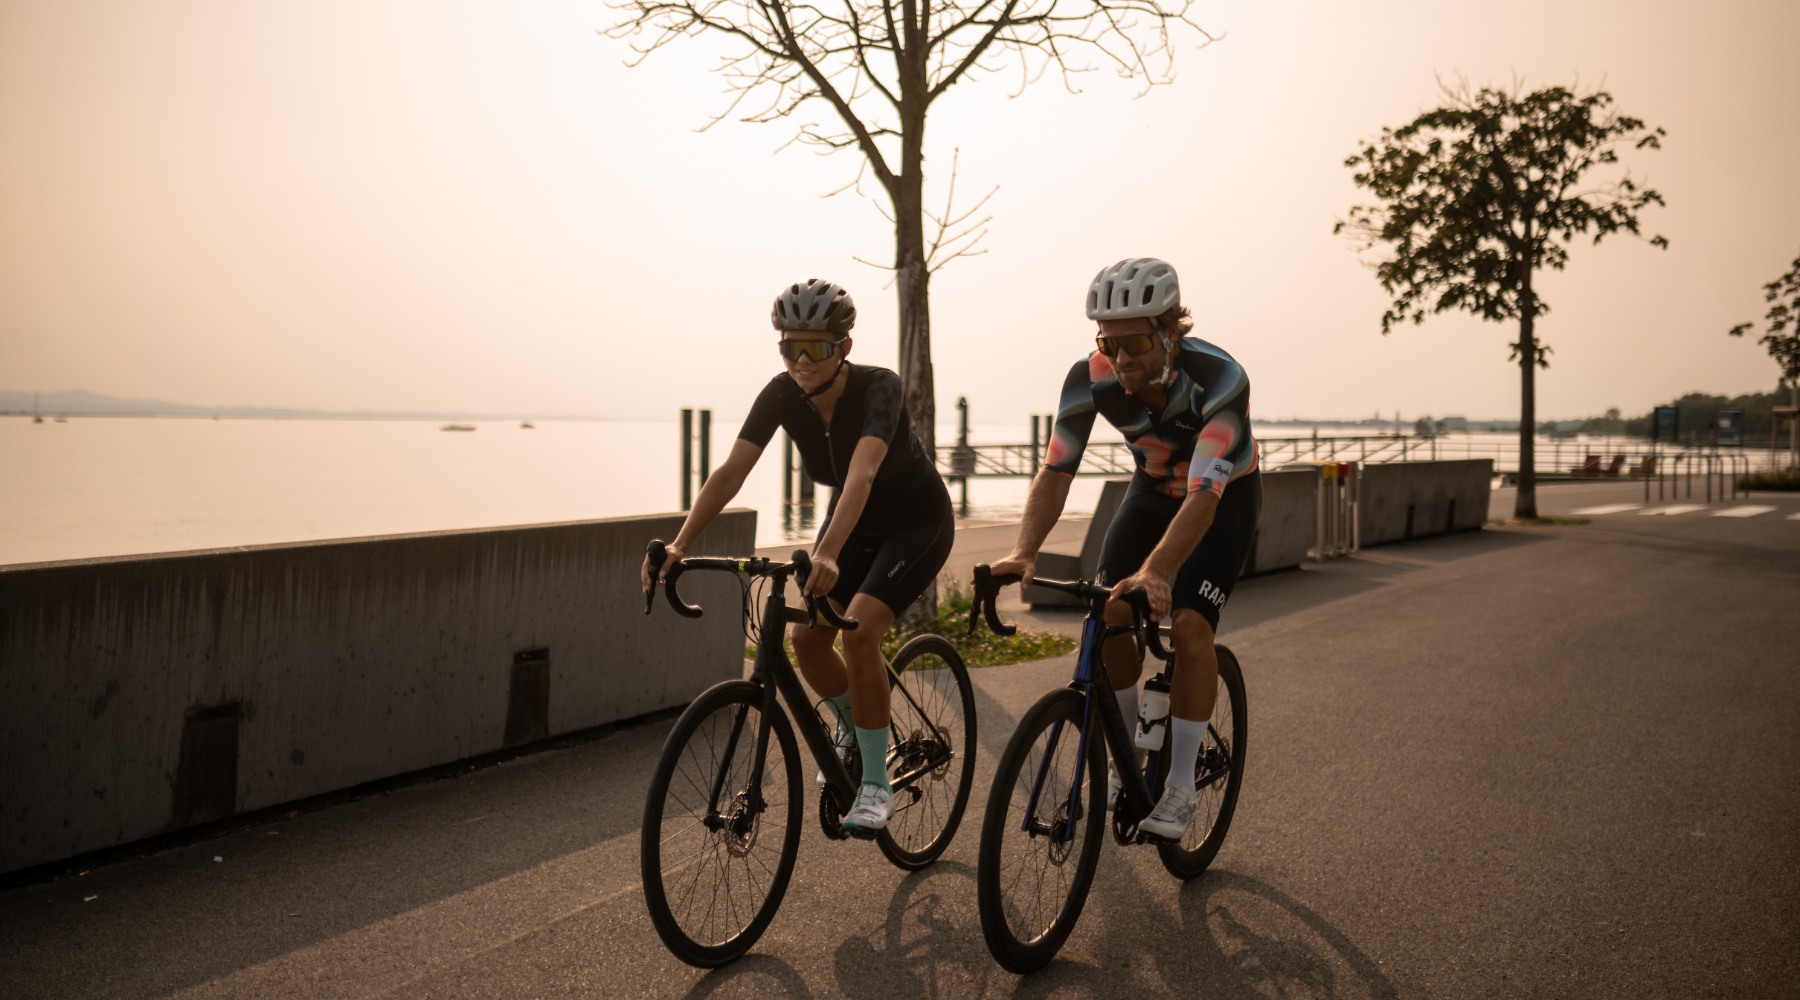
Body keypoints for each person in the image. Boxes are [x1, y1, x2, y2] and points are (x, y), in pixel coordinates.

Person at [640, 278, 954, 832]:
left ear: (845, 348)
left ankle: (877, 785)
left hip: (915, 522)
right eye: (791, 347)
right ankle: (854, 727)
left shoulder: (880, 387)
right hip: (852, 527)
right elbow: (731, 472)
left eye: (819, 347)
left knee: (859, 633)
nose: (803, 360)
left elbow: (861, 475)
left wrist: (828, 552)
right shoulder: (782, 393)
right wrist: (681, 544)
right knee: (807, 641)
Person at [987, 257, 1261, 841]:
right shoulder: (1091, 378)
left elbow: (1206, 495)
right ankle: (1128, 757)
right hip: (1153, 489)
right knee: (1110, 608)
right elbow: (1057, 469)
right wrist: (1024, 550)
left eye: (1134, 341)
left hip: (1222, 498)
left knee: (1189, 627)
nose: (1121, 357)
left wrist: (1159, 572)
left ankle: (1182, 785)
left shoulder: (1220, 380)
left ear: (1169, 334)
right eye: (1108, 342)